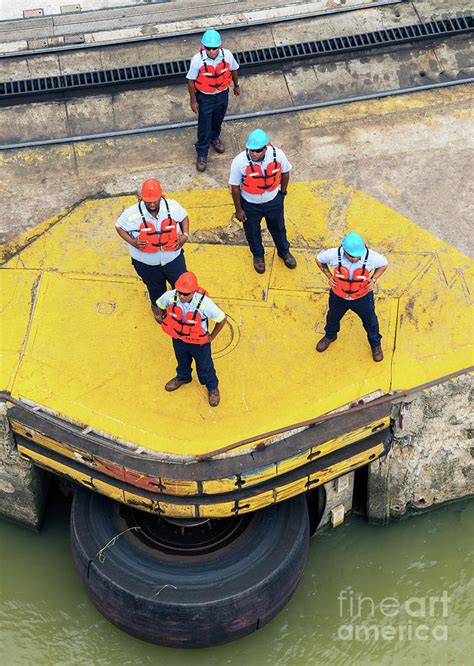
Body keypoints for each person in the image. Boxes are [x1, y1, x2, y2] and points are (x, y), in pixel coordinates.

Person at [115, 178, 189, 320]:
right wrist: (133, 242)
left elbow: (184, 217)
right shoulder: (131, 214)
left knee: (181, 285)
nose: (152, 204)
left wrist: (185, 235)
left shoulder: (173, 206)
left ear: (162, 196)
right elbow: (119, 227)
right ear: (142, 198)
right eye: (148, 201)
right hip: (147, 264)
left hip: (173, 259)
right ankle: (157, 308)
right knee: (155, 288)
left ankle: (181, 307)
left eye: (155, 200)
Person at [229, 128, 296, 274]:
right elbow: (234, 188)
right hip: (250, 205)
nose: (253, 153)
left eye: (257, 150)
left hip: (273, 201)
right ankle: (258, 256)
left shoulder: (278, 155)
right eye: (251, 150)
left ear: (265, 148)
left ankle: (284, 251)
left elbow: (285, 173)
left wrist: (282, 193)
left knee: (279, 228)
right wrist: (239, 210)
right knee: (252, 232)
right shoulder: (239, 162)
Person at [155, 271, 227, 407]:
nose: (182, 296)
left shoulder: (205, 303)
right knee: (182, 360)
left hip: (199, 343)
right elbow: (160, 304)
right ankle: (183, 377)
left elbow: (222, 319)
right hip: (178, 338)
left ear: (194, 291)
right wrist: (164, 318)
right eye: (180, 292)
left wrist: (211, 337)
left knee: (205, 365)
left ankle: (212, 387)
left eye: (186, 294)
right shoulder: (171, 296)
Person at [315, 231, 388, 361]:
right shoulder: (332, 254)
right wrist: (329, 276)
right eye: (352, 256)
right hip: (338, 296)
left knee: (371, 322)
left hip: (363, 297)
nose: (355, 259)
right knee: (332, 317)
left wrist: (374, 280)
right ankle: (330, 335)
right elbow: (319, 260)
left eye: (358, 256)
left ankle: (375, 344)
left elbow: (384, 264)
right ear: (344, 250)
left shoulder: (372, 257)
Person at [186, 28, 240, 172]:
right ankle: (202, 153)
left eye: (214, 48)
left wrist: (236, 85)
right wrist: (193, 100)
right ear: (204, 47)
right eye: (208, 48)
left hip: (222, 94)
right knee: (204, 125)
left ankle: (214, 138)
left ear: (219, 46)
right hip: (205, 97)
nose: (211, 51)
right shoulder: (197, 60)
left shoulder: (227, 55)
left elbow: (234, 69)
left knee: (218, 119)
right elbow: (191, 81)